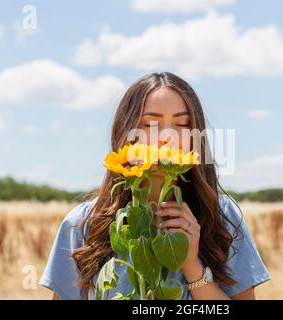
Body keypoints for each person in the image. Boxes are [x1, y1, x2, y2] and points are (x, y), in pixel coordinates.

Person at [39, 72, 270, 300]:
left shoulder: (219, 215)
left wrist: (192, 266)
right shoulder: (82, 225)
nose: (167, 137)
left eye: (182, 124)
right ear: (126, 133)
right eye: (150, 124)